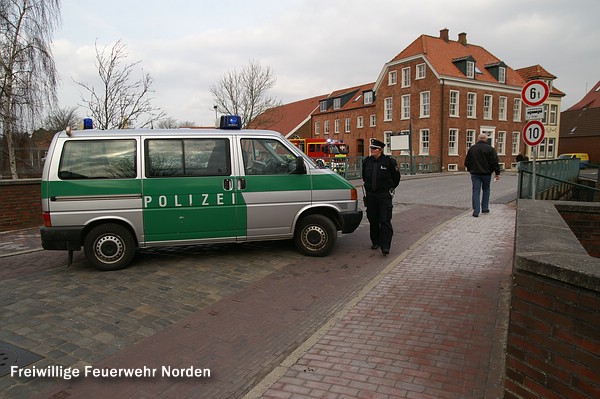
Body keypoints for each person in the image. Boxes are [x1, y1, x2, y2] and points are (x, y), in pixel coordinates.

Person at [362, 138, 401, 255]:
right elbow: (364, 176)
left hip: (384, 194)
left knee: (385, 220)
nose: (372, 150)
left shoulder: (389, 162)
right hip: (371, 195)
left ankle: (385, 246)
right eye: (371, 148)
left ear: (380, 150)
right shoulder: (367, 161)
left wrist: (389, 188)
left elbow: (396, 178)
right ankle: (375, 241)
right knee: (373, 219)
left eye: (374, 149)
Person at [464, 133, 501, 217]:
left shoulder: (472, 149)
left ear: (477, 139)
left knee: (476, 191)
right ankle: (485, 208)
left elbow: (466, 162)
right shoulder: (490, 149)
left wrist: (471, 170)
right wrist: (497, 173)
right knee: (486, 189)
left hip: (475, 173)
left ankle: (476, 211)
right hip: (487, 173)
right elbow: (494, 162)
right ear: (486, 140)